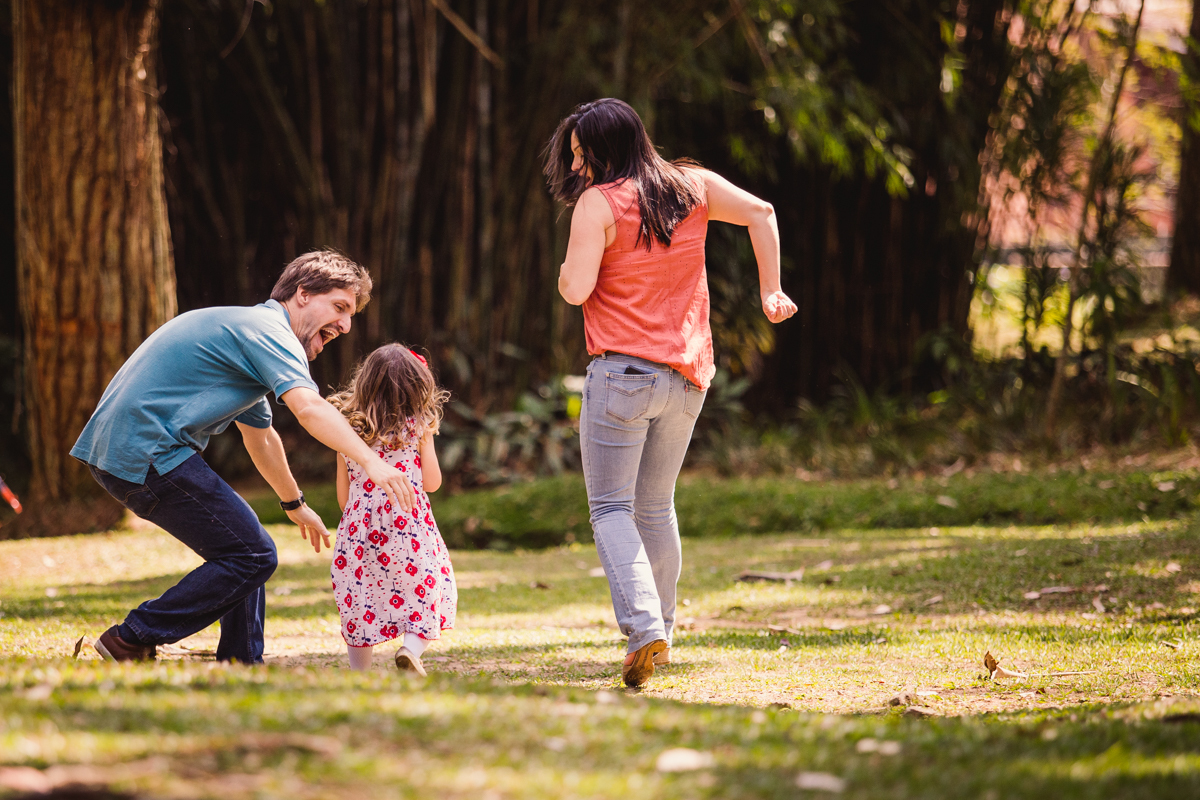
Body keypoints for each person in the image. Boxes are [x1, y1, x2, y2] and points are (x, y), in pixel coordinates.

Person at [544, 99, 798, 687]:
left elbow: (576, 289)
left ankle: (644, 629)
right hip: (687, 378)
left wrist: (565, 271)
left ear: (604, 150)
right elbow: (761, 212)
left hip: (622, 377)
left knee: (611, 508)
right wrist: (771, 290)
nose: (577, 166)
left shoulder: (598, 203)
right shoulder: (691, 185)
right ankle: (660, 634)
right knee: (655, 507)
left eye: (581, 155)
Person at [72, 250, 420, 664]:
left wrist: (294, 503)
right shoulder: (268, 332)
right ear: (303, 294)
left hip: (127, 449)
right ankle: (130, 638)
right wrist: (371, 461)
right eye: (340, 307)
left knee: (244, 546)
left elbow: (262, 437)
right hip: (146, 449)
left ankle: (241, 662)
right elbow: (309, 407)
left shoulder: (248, 334)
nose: (345, 326)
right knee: (252, 554)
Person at [327, 344, 457, 675]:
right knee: (426, 587)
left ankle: (359, 672)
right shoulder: (418, 427)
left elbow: (343, 498)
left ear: (365, 381)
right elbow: (432, 483)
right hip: (408, 526)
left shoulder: (347, 430)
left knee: (360, 595)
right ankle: (411, 650)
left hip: (359, 529)